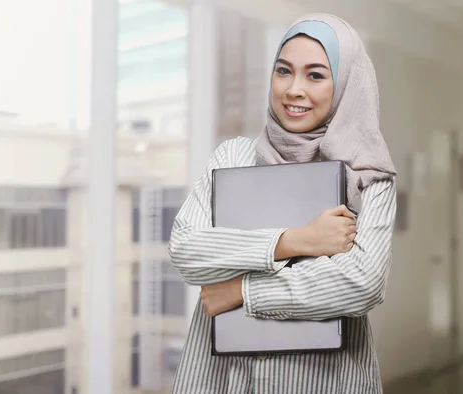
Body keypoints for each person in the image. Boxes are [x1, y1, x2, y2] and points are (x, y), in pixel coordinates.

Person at [168, 13, 397, 394]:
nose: (293, 89)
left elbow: (362, 282)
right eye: (283, 71)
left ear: (345, 85)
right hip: (223, 380)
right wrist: (296, 240)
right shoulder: (233, 157)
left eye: (316, 75)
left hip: (324, 380)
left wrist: (240, 291)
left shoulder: (368, 174)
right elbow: (187, 249)